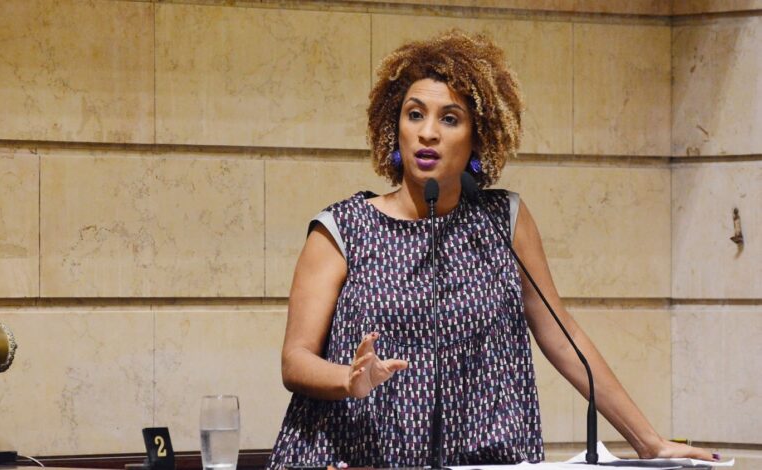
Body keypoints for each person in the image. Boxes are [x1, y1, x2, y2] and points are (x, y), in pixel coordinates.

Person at [266, 30, 714, 468]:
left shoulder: (504, 221)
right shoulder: (343, 229)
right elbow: (295, 360)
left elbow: (563, 337)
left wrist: (649, 442)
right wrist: (349, 379)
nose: (428, 133)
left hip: (478, 459)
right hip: (353, 458)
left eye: (450, 119)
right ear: (394, 127)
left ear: (477, 136)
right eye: (415, 114)